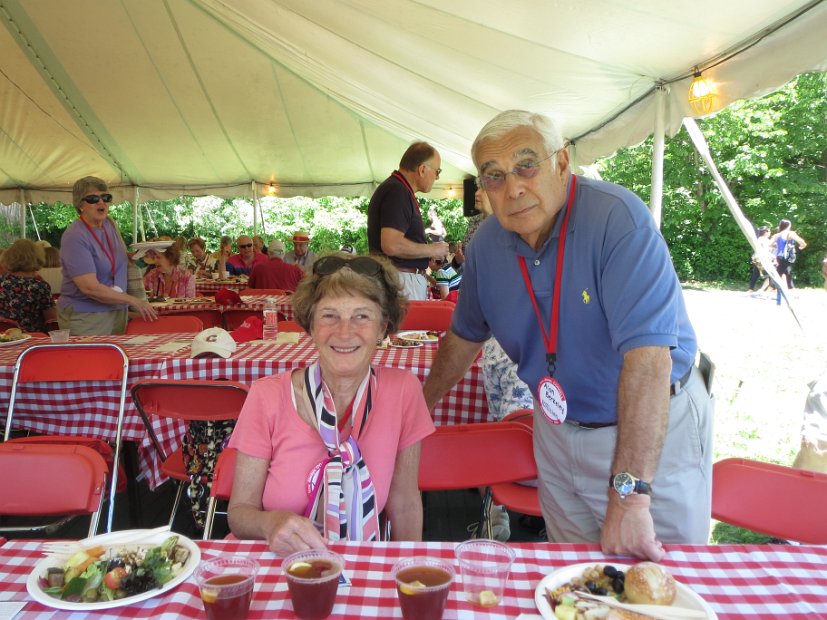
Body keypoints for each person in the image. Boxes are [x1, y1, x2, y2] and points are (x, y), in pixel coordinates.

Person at [422, 110, 712, 561]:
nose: (513, 187)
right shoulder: (485, 247)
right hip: (557, 431)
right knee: (576, 579)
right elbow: (463, 338)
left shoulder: (617, 219)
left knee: (660, 580)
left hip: (653, 429)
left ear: (562, 162)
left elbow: (649, 359)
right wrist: (418, 411)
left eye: (526, 166)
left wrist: (631, 496)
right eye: (494, 176)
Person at [227, 253, 434, 554]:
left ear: (382, 328)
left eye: (361, 316)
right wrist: (270, 523)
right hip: (277, 562)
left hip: (363, 563)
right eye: (329, 316)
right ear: (310, 325)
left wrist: (411, 568)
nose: (344, 332)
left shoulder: (404, 391)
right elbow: (239, 513)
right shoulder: (267, 396)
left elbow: (403, 502)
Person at [57, 176, 157, 335]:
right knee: (94, 359)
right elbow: (89, 288)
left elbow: (115, 257)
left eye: (106, 197)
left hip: (117, 309)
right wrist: (133, 301)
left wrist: (139, 255)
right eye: (93, 198)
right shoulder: (75, 236)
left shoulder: (109, 224)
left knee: (116, 358)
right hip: (86, 316)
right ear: (80, 205)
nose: (101, 202)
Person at [367, 142, 449, 300]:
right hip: (400, 283)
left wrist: (424, 256)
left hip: (398, 280)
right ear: (422, 169)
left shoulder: (396, 188)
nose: (437, 178)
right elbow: (392, 245)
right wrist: (432, 250)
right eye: (437, 171)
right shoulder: (397, 191)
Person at [0, 239, 56, 332]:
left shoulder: (2, 281)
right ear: (37, 258)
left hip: (4, 337)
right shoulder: (40, 286)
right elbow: (51, 319)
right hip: (32, 338)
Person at [769, 218, 807, 290]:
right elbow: (801, 242)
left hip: (779, 256)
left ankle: (791, 288)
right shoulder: (790, 233)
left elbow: (769, 244)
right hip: (787, 257)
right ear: (788, 225)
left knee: (787, 272)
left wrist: (777, 246)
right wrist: (802, 246)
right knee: (779, 274)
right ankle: (773, 287)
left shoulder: (777, 235)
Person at [748, 226, 772, 293]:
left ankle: (751, 289)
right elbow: (765, 251)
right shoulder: (764, 240)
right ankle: (764, 290)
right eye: (769, 231)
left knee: (755, 275)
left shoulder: (759, 239)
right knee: (771, 275)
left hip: (757, 259)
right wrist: (772, 256)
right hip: (763, 259)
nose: (770, 232)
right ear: (765, 232)